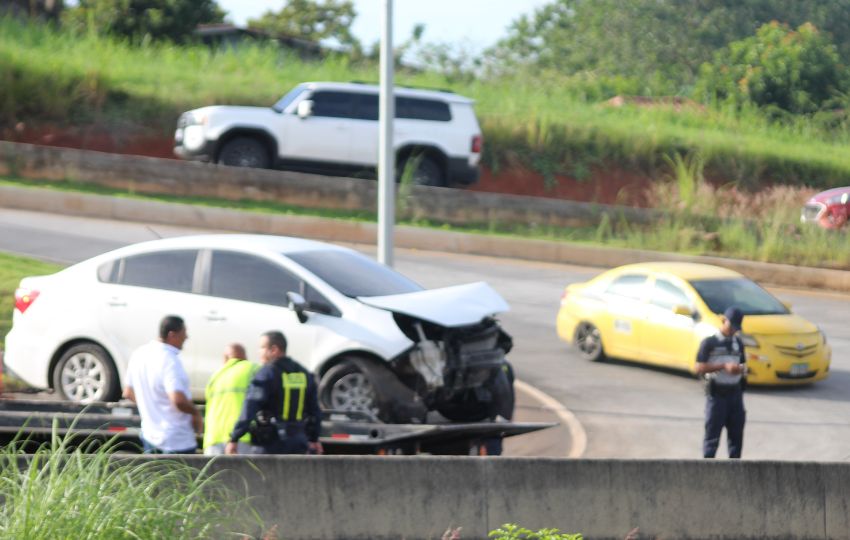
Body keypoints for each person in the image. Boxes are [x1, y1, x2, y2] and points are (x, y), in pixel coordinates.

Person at [226, 330, 323, 455]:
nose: (259, 352)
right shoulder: (303, 373)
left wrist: (234, 437)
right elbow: (315, 411)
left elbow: (250, 406)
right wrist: (314, 438)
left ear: (274, 350)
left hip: (270, 444)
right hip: (298, 442)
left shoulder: (267, 372)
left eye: (262, 348)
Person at [123, 315, 202, 454]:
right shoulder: (170, 360)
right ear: (172, 335)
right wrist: (196, 413)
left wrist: (151, 406)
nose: (186, 337)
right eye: (184, 333)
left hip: (149, 435)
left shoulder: (139, 354)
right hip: (176, 441)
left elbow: (128, 392)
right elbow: (178, 400)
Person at [695, 306, 747, 459]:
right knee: (712, 437)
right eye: (731, 326)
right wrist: (723, 366)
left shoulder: (738, 343)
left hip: (735, 395)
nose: (733, 331)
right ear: (724, 321)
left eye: (736, 328)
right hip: (717, 395)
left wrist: (740, 369)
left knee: (736, 438)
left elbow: (744, 364)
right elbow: (698, 367)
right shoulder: (710, 342)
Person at [203, 343, 260, 455]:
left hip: (213, 440)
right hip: (242, 438)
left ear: (226, 358)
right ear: (244, 356)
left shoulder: (214, 376)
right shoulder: (252, 368)